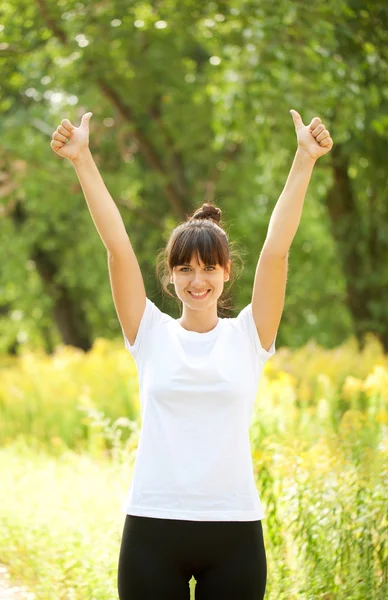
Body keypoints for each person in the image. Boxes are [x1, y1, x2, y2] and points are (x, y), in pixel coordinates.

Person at [50, 110, 333, 599]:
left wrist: (304, 159)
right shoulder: (149, 332)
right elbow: (118, 249)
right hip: (152, 528)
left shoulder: (250, 335)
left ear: (226, 274)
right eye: (184, 269)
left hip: (234, 528)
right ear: (171, 276)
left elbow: (276, 251)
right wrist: (82, 159)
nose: (196, 280)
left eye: (208, 269)